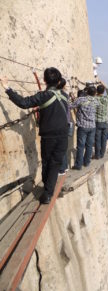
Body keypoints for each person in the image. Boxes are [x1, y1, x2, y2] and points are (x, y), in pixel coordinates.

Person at [0, 68, 68, 204]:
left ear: (44, 80)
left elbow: (23, 103)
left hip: (49, 137)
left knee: (47, 163)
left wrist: (7, 87)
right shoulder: (64, 95)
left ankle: (47, 193)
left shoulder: (44, 96)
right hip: (63, 136)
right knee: (55, 164)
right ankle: (48, 192)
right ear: (59, 81)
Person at [70, 86, 99, 170]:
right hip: (92, 126)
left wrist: (71, 99)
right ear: (95, 93)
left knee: (80, 146)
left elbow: (71, 106)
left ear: (87, 92)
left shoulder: (81, 100)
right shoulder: (96, 101)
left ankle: (78, 165)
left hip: (82, 126)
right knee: (89, 146)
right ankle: (86, 162)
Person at [94, 81, 108, 159]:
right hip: (105, 122)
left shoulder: (95, 99)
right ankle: (102, 154)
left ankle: (97, 155)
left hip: (97, 122)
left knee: (97, 139)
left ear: (97, 91)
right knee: (104, 139)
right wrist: (103, 83)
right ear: (103, 91)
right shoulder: (106, 99)